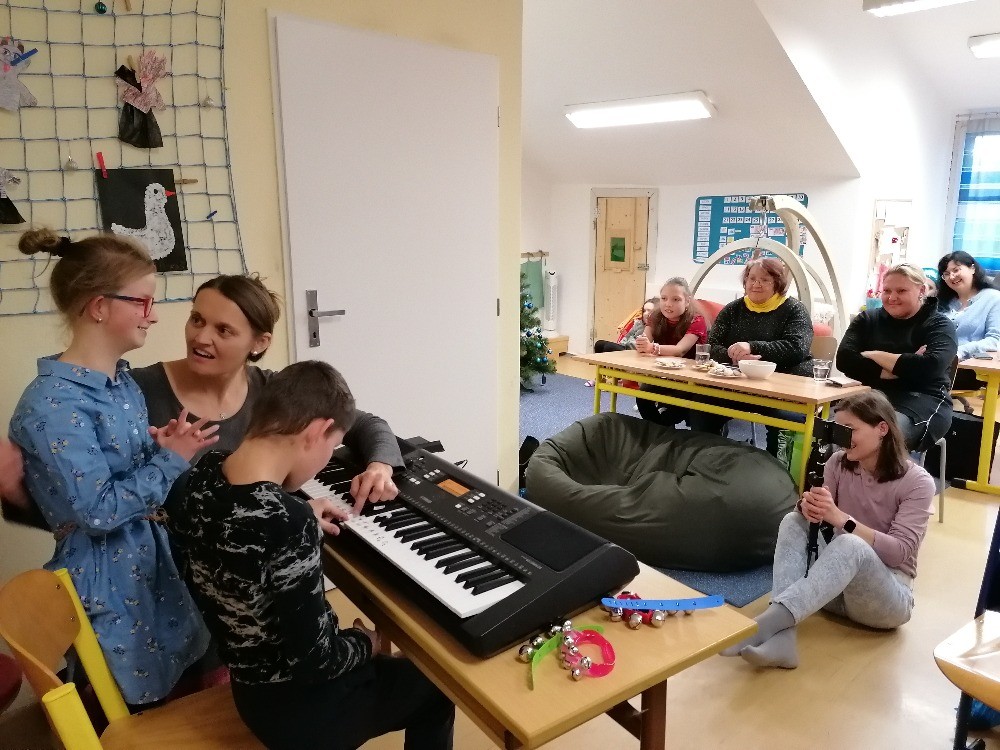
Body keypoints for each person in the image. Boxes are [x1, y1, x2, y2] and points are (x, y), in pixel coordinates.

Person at [168, 360, 455, 750]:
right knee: (436, 689)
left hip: (251, 694)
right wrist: (364, 641)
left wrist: (296, 516)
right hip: (308, 717)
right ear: (318, 431)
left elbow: (240, 533)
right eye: (330, 447)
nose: (325, 459)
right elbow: (318, 663)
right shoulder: (288, 521)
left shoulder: (201, 475)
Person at [2, 274, 403, 529]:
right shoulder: (134, 391)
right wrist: (16, 492)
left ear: (259, 342)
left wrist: (380, 465)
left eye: (223, 330)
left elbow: (366, 424)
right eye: (197, 319)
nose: (200, 337)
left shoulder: (274, 391)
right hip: (166, 582)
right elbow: (85, 510)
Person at [8, 229, 218, 706]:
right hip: (109, 584)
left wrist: (158, 450)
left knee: (180, 688)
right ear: (99, 306)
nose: (154, 315)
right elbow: (98, 511)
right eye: (142, 302)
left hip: (148, 566)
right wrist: (169, 460)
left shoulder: (121, 384)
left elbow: (124, 480)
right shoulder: (53, 405)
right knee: (128, 705)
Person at [720, 390, 933, 669]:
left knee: (851, 543)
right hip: (832, 587)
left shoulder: (918, 482)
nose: (842, 438)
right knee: (793, 521)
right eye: (838, 429)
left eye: (850, 429)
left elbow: (899, 553)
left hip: (885, 600)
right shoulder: (838, 462)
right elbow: (818, 517)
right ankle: (783, 640)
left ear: (882, 428)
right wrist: (809, 508)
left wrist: (842, 519)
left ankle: (766, 624)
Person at [687, 257, 814, 454]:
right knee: (701, 406)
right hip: (737, 385)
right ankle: (708, 459)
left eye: (765, 279)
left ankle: (774, 467)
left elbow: (797, 348)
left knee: (788, 420)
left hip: (780, 389)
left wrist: (752, 347)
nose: (756, 284)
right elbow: (711, 346)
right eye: (752, 278)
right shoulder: (732, 309)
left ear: (778, 283)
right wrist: (734, 356)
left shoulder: (794, 309)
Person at [837, 263, 957, 451]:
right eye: (887, 291)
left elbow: (930, 366)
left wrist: (874, 354)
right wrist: (902, 366)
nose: (892, 297)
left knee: (876, 436)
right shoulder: (867, 320)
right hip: (871, 396)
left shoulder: (940, 325)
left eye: (901, 291)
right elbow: (844, 360)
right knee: (830, 430)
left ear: (921, 290)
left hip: (923, 399)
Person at [633, 278, 708, 427]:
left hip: (691, 378)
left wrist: (652, 348)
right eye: (664, 298)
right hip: (664, 373)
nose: (668, 304)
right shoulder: (655, 316)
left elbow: (680, 350)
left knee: (674, 409)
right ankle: (660, 432)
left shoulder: (697, 320)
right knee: (643, 396)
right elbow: (645, 340)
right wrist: (641, 343)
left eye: (676, 299)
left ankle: (661, 431)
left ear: (687, 301)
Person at [936, 250, 1000, 390]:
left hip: (969, 368)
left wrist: (959, 351)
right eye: (946, 274)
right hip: (937, 361)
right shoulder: (943, 302)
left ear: (972, 268)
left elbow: (995, 340)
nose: (952, 276)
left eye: (956, 270)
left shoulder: (994, 298)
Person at [593, 297, 657, 354]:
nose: (645, 313)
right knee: (599, 344)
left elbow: (642, 345)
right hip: (626, 346)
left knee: (609, 347)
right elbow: (627, 336)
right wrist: (622, 344)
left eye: (649, 311)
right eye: (644, 311)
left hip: (635, 351)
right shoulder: (638, 323)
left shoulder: (655, 328)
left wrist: (630, 342)